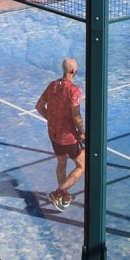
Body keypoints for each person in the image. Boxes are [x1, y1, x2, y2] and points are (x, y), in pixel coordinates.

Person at [35, 57, 85, 211]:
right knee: (82, 166)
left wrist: (51, 119)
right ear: (74, 71)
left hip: (53, 133)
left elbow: (39, 106)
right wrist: (82, 133)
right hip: (68, 136)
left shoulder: (53, 85)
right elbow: (76, 116)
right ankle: (58, 193)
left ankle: (64, 196)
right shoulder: (75, 90)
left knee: (61, 162)